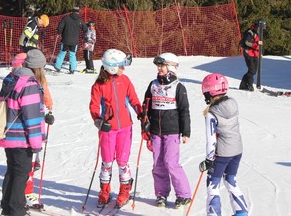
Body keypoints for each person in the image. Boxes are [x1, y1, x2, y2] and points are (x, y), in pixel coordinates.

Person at [0, 49, 47, 216]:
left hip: (9, 135)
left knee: (12, 171)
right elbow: (31, 117)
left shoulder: (12, 78)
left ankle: (8, 209)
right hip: (21, 138)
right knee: (21, 175)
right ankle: (16, 211)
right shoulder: (29, 84)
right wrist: (36, 143)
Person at [89, 49, 142, 208]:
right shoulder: (99, 85)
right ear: (111, 67)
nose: (123, 69)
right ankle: (105, 190)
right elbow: (93, 107)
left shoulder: (125, 80)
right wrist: (99, 121)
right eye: (121, 66)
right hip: (108, 129)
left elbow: (134, 100)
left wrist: (141, 114)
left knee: (122, 161)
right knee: (106, 161)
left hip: (125, 127)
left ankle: (124, 190)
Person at [142, 53, 191, 209]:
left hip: (172, 131)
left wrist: (186, 132)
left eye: (162, 66)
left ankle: (183, 195)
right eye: (158, 66)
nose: (159, 68)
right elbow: (146, 106)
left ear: (171, 67)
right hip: (156, 131)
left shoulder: (178, 87)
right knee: (158, 164)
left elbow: (184, 110)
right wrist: (145, 124)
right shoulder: (153, 85)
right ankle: (161, 194)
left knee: (171, 163)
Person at [200, 73, 248, 216]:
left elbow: (211, 140)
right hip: (237, 150)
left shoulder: (212, 114)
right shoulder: (232, 103)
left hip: (221, 154)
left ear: (210, 92)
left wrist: (209, 160)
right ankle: (242, 212)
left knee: (213, 185)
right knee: (230, 180)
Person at [11, 52, 54, 209]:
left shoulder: (38, 81)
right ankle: (21, 198)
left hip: (31, 129)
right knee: (23, 168)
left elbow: (44, 101)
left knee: (28, 166)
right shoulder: (25, 81)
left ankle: (20, 197)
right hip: (24, 133)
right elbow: (29, 112)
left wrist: (47, 112)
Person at [54, 7, 87, 74]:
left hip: (65, 40)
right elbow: (85, 29)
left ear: (72, 11)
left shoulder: (66, 18)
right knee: (72, 54)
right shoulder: (79, 20)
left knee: (62, 53)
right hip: (74, 42)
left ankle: (57, 67)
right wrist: (83, 35)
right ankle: (72, 69)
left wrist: (59, 33)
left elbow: (60, 26)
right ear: (78, 12)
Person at [239, 21, 263, 91]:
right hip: (248, 52)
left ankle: (243, 84)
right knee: (252, 70)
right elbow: (247, 42)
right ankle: (249, 85)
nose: (260, 29)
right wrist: (256, 44)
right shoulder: (250, 32)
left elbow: (259, 45)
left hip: (255, 53)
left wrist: (260, 53)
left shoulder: (259, 33)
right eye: (259, 27)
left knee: (254, 71)